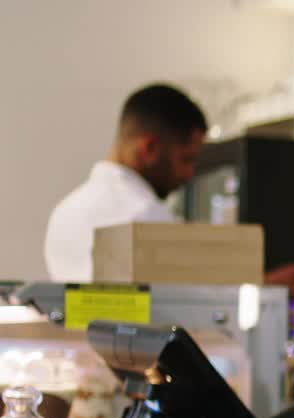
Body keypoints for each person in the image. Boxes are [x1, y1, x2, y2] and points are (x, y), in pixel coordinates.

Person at [45, 84, 206, 283]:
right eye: (186, 159)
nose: (189, 174)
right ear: (150, 148)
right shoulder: (146, 217)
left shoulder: (64, 212)